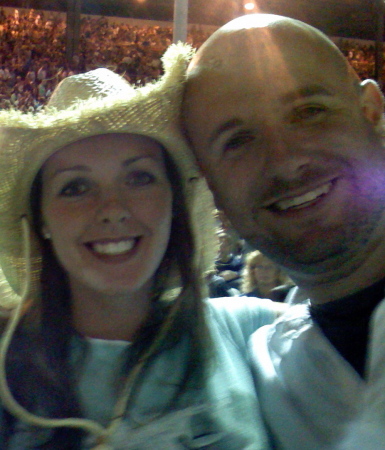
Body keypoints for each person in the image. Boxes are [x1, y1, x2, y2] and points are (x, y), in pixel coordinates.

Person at [0, 47, 283, 448]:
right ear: (40, 220)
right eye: (75, 187)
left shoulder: (254, 331)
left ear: (174, 201)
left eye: (139, 178)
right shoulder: (6, 366)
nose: (112, 210)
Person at [180, 13, 385, 450]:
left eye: (309, 112)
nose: (286, 160)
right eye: (237, 141)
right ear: (211, 186)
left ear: (371, 113)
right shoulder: (258, 368)